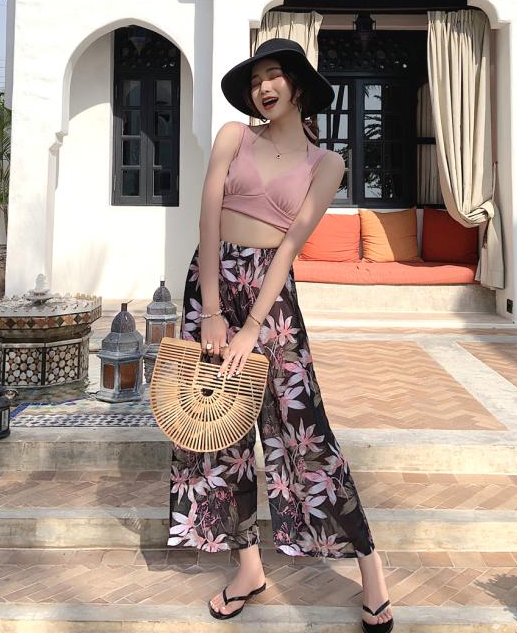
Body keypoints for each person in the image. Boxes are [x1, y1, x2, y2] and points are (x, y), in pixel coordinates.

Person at [166, 38, 394, 632]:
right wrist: (212, 311)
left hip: (271, 299)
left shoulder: (328, 164)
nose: (262, 88)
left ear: (296, 84)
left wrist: (250, 326)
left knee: (303, 431)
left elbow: (290, 246)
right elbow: (207, 216)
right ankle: (248, 569)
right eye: (254, 80)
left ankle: (369, 564)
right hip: (210, 285)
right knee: (217, 430)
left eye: (272, 75)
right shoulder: (233, 137)